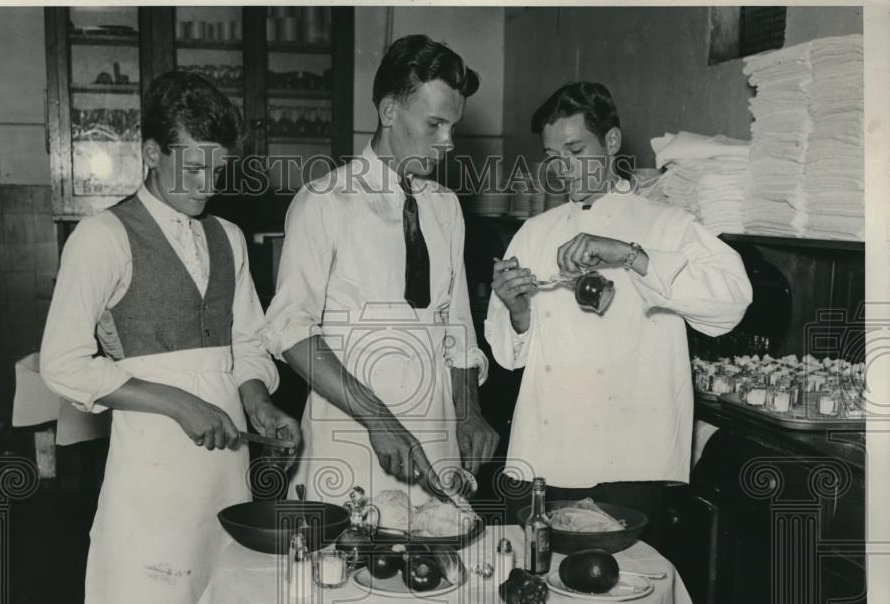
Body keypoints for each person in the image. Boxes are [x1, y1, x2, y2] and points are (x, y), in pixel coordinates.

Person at [39, 71, 301, 604]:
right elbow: (62, 363)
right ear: (152, 152)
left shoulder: (230, 239)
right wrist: (174, 401)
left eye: (218, 165)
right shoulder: (103, 238)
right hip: (149, 489)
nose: (208, 179)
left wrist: (257, 399)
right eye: (193, 161)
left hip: (224, 484)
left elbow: (246, 342)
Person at [485, 81, 752, 546]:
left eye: (574, 150)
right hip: (548, 455)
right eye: (553, 156)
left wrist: (629, 255)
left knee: (627, 586)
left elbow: (732, 302)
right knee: (541, 580)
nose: (563, 169)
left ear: (610, 142)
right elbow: (510, 357)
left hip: (629, 458)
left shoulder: (667, 224)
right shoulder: (533, 234)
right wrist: (517, 311)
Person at [263, 35, 498, 513]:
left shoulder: (445, 208)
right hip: (353, 442)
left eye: (453, 126)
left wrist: (470, 410)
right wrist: (378, 420)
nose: (448, 142)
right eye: (434, 124)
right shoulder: (324, 201)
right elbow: (289, 328)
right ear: (390, 111)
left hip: (436, 443)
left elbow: (457, 327)